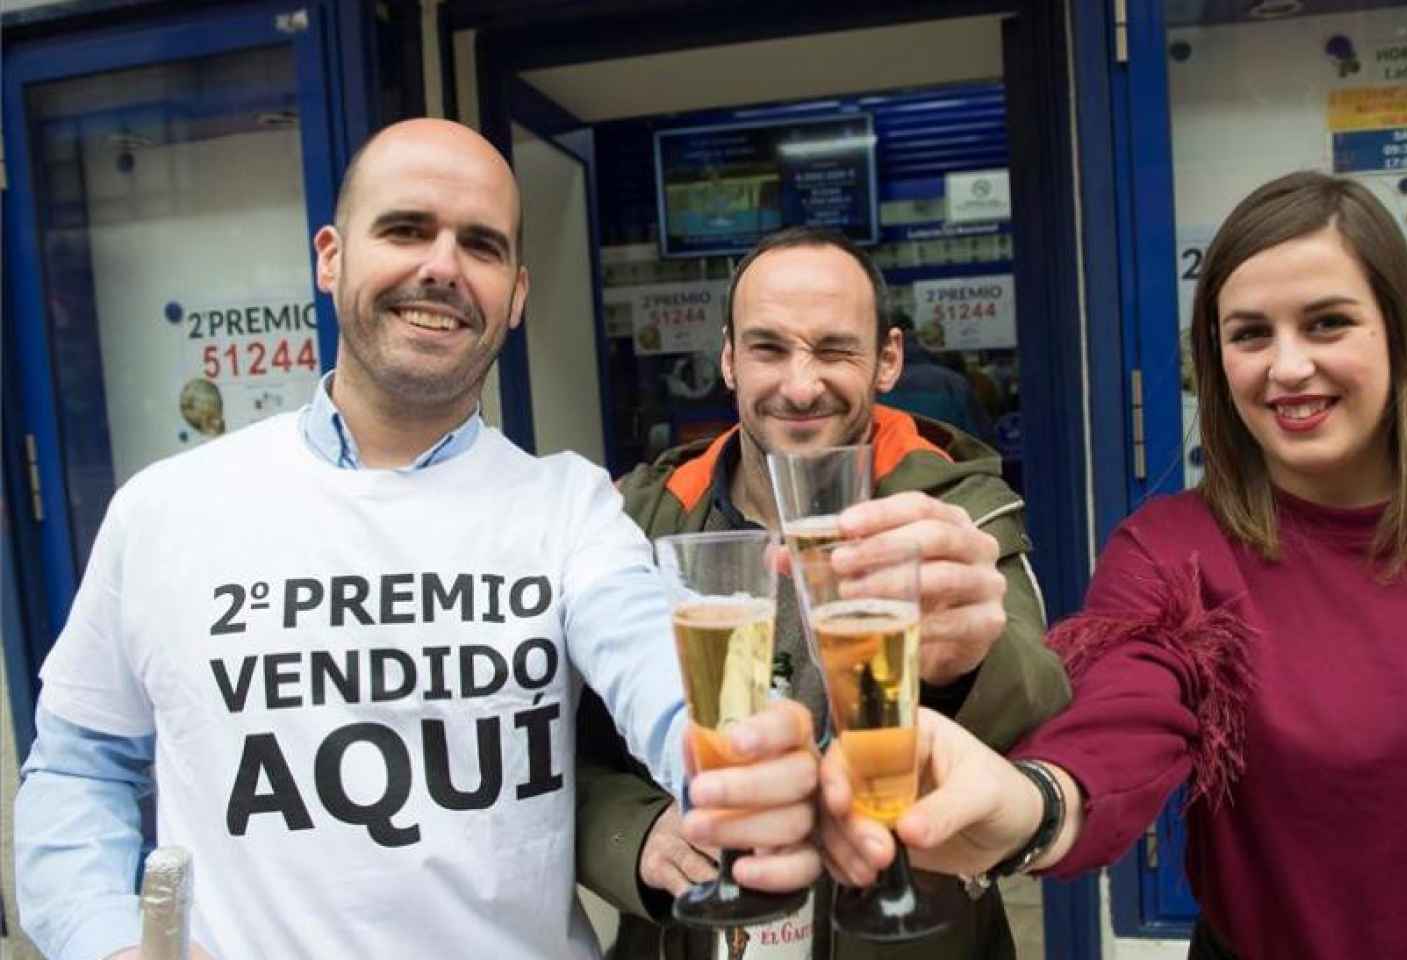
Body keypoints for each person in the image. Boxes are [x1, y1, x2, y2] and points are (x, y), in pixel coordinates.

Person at [820, 171, 1407, 957]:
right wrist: (1029, 804)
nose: (1288, 366)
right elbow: (1121, 720)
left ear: (1400, 335)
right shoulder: (1174, 549)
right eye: (1249, 334)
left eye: (1327, 323)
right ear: (1215, 360)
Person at [13, 119, 820, 960]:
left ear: (514, 293)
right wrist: (107, 945)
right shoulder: (166, 509)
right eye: (405, 229)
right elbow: (79, 769)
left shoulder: (567, 506)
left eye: (481, 245)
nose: (442, 267)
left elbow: (649, 663)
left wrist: (731, 771)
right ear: (331, 257)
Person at [577, 225, 1070, 960]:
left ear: (888, 359)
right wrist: (634, 835)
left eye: (835, 349)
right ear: (729, 360)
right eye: (769, 348)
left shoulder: (957, 505)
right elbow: (558, 753)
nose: (801, 385)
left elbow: (1043, 703)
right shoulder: (644, 516)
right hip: (697, 933)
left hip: (905, 934)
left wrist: (965, 663)